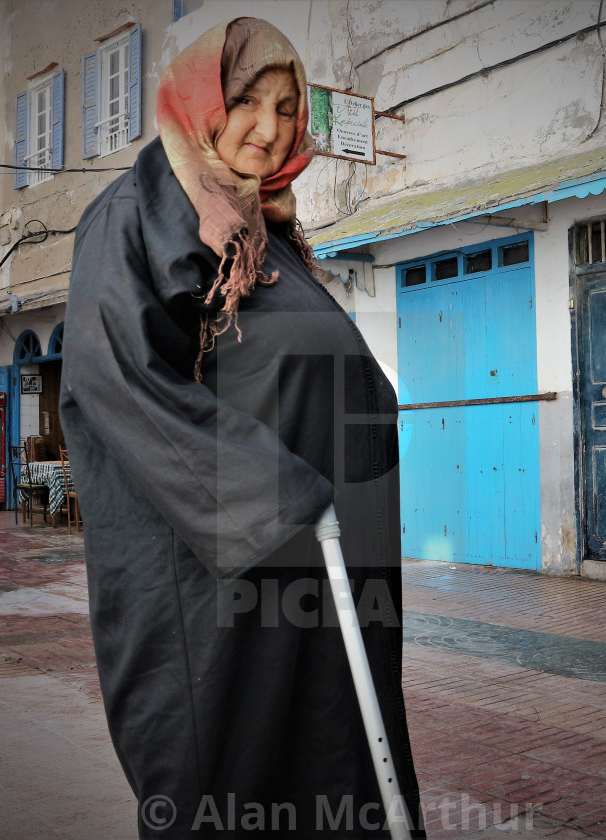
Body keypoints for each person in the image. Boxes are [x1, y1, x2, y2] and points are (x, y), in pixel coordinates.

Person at [61, 17, 425, 839]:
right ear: (201, 105)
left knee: (335, 764)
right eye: (247, 101)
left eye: (289, 107)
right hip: (220, 587)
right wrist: (280, 491)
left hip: (320, 570)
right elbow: (114, 376)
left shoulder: (266, 228)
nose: (270, 126)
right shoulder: (142, 212)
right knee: (232, 785)